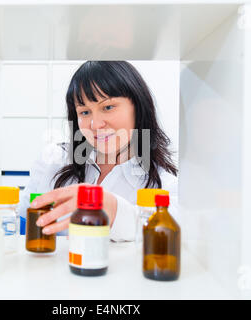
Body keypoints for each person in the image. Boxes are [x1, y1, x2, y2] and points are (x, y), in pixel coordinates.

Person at [17, 61, 178, 242]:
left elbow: (170, 239)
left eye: (108, 107)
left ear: (138, 107)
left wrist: (114, 209)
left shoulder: (165, 185)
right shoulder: (53, 161)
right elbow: (18, 223)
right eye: (85, 112)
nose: (95, 124)